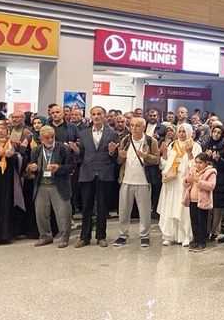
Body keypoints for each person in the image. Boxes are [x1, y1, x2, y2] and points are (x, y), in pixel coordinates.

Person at [71, 106, 119, 248]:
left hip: (104, 173)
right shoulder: (84, 133)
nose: (96, 116)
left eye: (99, 114)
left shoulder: (112, 134)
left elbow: (116, 159)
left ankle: (101, 237)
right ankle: (84, 237)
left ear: (104, 116)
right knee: (86, 206)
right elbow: (80, 156)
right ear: (90, 116)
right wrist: (76, 151)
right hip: (87, 173)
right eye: (94, 114)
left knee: (102, 207)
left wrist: (111, 152)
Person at [112, 117, 160, 248]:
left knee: (144, 211)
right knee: (123, 210)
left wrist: (145, 156)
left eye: (137, 126)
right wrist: (120, 157)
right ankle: (122, 235)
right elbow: (119, 161)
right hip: (126, 180)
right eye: (132, 125)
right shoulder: (125, 140)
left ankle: (144, 236)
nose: (133, 128)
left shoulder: (151, 141)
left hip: (144, 181)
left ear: (143, 127)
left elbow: (156, 160)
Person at [26, 126, 73, 248]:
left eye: (52, 137)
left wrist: (59, 168)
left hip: (59, 185)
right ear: (41, 138)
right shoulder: (35, 151)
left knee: (63, 213)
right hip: (41, 184)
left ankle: (64, 237)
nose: (50, 139)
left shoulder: (64, 149)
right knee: (41, 213)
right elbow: (31, 167)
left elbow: (71, 167)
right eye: (47, 137)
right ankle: (45, 236)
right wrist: (32, 168)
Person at [158, 123, 200, 247]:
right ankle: (169, 235)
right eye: (180, 131)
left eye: (184, 131)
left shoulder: (195, 146)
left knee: (183, 209)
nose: (181, 134)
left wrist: (189, 153)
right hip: (172, 182)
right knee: (170, 208)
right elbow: (165, 164)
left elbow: (197, 165)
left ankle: (185, 236)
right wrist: (164, 155)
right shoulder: (172, 145)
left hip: (185, 183)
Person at [203, 124, 224, 241]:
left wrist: (218, 159)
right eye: (214, 132)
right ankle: (206, 231)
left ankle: (215, 231)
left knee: (217, 208)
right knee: (207, 207)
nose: (216, 134)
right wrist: (207, 157)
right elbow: (200, 162)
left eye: (219, 132)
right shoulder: (207, 145)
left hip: (220, 181)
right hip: (207, 179)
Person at [183, 152, 216, 252]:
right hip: (192, 200)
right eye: (196, 162)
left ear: (206, 163)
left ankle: (202, 241)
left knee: (202, 221)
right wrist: (186, 181)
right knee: (194, 221)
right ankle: (196, 239)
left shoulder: (211, 172)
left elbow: (211, 186)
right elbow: (187, 184)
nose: (198, 165)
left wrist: (198, 181)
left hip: (203, 201)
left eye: (200, 162)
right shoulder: (193, 170)